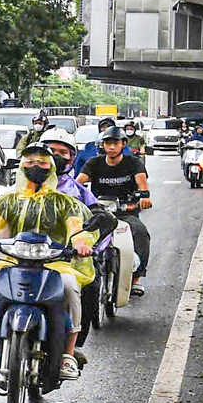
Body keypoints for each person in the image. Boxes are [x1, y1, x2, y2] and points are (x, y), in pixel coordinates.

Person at [0, 140, 95, 382]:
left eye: (42, 162)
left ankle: (68, 354)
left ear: (51, 168)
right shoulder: (8, 200)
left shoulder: (63, 201)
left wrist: (80, 242)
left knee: (70, 288)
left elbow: (76, 227)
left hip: (54, 262)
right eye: (30, 162)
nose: (36, 166)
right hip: (11, 261)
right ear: (21, 166)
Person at [41, 128, 105, 366]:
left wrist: (86, 244)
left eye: (62, 152)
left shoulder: (78, 191)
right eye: (50, 151)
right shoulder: (18, 189)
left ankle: (74, 346)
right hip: (22, 255)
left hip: (65, 258)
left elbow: (94, 219)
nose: (55, 156)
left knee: (89, 285)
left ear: (71, 157)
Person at [78, 123, 152, 298]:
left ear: (123, 144)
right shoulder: (93, 163)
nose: (111, 147)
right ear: (102, 145)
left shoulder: (133, 163)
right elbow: (78, 182)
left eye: (115, 143)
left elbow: (142, 183)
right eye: (107, 143)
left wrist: (145, 198)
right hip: (99, 212)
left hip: (126, 211)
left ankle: (136, 279)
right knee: (78, 235)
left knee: (141, 233)